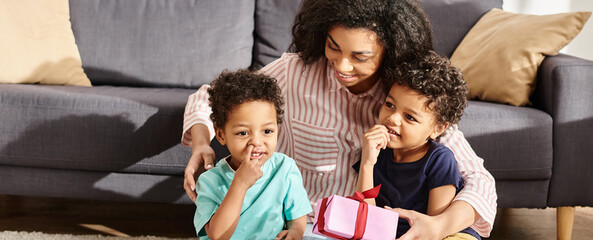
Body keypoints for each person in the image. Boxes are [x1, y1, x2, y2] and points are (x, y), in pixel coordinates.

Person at [182, 0, 497, 238]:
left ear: (391, 52)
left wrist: (439, 224)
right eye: (334, 47)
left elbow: (480, 181)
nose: (342, 66)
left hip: (360, 227)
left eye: (360, 57)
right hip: (299, 226)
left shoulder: (402, 99)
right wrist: (201, 144)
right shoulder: (295, 72)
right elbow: (210, 97)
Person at [354, 52, 480, 240]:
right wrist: (367, 163)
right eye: (390, 105)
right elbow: (367, 219)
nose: (393, 119)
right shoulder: (377, 152)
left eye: (410, 117)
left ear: (437, 128)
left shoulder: (439, 159)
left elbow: (434, 227)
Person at [192, 70, 311, 240]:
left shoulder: (284, 167)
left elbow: (297, 216)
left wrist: (295, 232)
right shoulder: (209, 182)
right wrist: (240, 183)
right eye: (243, 133)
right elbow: (218, 236)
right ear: (220, 135)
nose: (257, 142)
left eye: (267, 131)